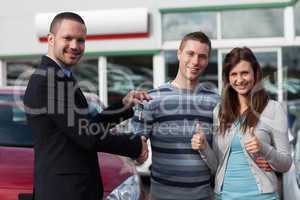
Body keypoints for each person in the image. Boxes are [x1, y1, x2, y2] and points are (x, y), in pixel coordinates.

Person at [23, 12, 150, 200]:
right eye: (68, 38)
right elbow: (87, 135)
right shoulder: (47, 81)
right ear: (51, 39)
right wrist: (134, 146)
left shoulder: (62, 78)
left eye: (80, 40)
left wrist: (123, 106)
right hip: (64, 193)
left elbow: (86, 126)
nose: (75, 46)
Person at [191, 47, 292, 200]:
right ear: (228, 78)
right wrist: (204, 147)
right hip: (223, 196)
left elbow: (286, 164)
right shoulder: (219, 111)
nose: (239, 80)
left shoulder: (273, 109)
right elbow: (216, 166)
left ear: (255, 73)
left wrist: (263, 148)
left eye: (245, 73)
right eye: (234, 74)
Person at [132, 31, 220, 200]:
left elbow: (222, 158)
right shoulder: (150, 99)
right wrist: (137, 149)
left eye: (202, 56)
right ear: (179, 54)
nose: (195, 61)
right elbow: (135, 156)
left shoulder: (216, 102)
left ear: (208, 60)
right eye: (190, 53)